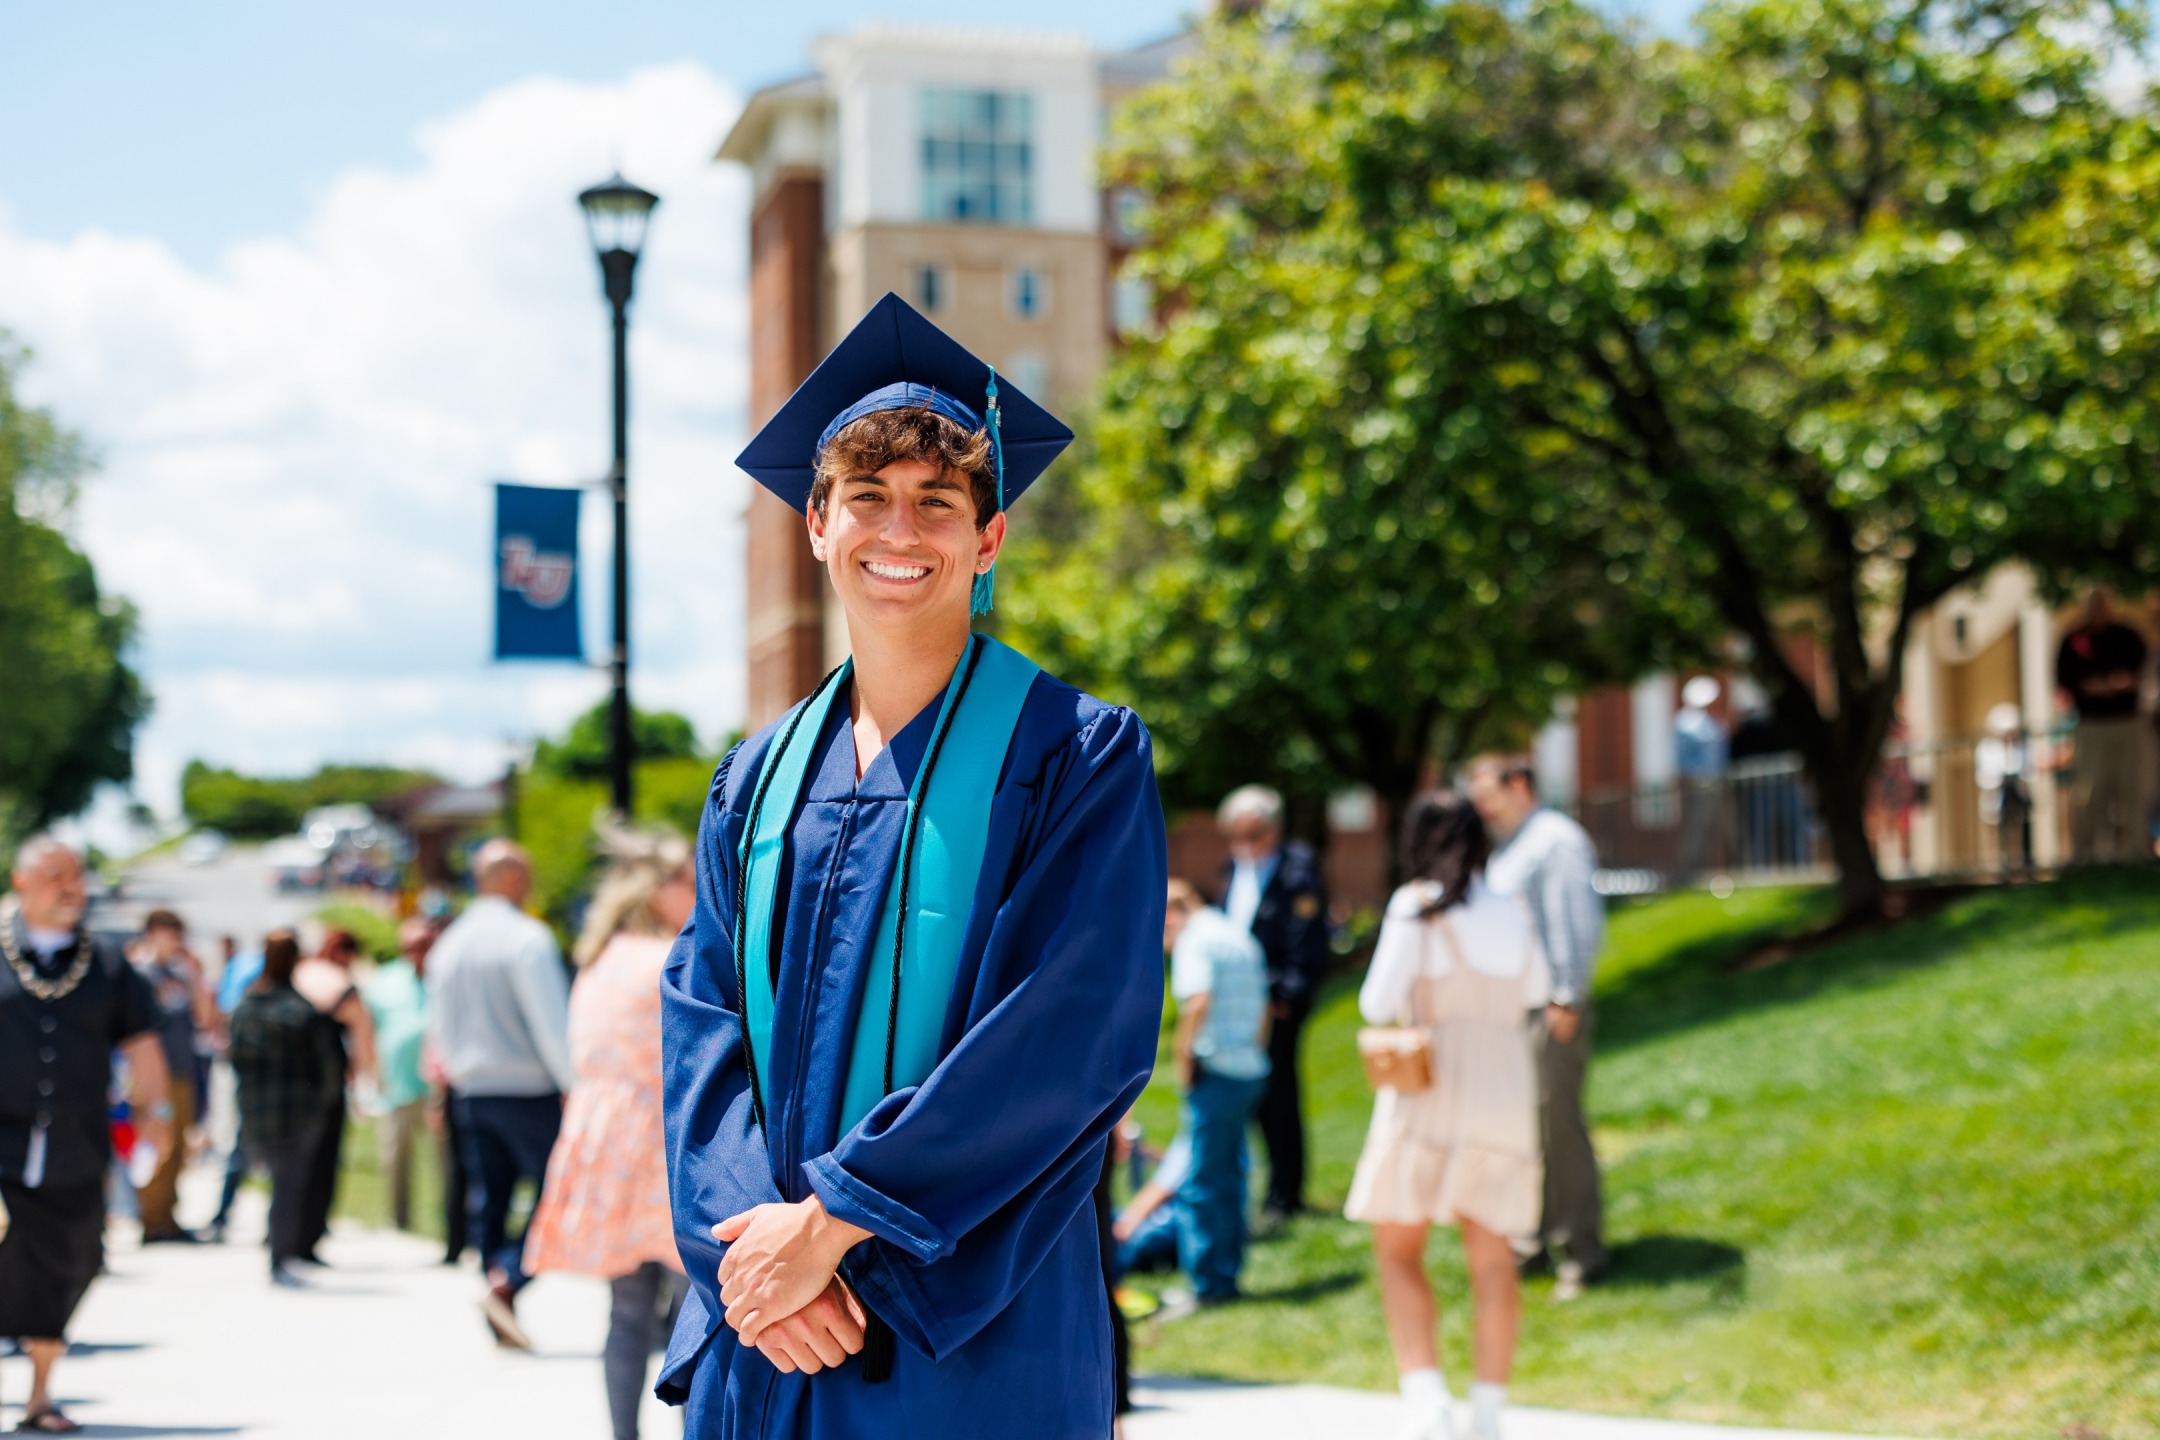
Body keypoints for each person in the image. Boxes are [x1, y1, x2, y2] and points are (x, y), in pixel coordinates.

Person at [658, 293, 1166, 1438]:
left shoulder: (1075, 754)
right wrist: (755, 1250)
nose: (901, 531)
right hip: (772, 1326)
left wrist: (836, 1222)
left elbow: (1075, 1028)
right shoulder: (753, 783)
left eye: (938, 504)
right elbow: (699, 1029)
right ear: (816, 526)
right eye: (868, 500)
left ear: (987, 540)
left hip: (969, 1329)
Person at [1347, 792, 1548, 1440]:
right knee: (1493, 1261)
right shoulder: (1514, 909)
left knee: (1398, 1248)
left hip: (1432, 1088)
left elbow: (1378, 1003)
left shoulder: (1415, 906)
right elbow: (1540, 990)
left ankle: (1427, 1397)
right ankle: (1487, 1415)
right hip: (1506, 1091)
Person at [525, 830, 696, 1440]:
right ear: (656, 891)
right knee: (692, 1312)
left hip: (608, 1142)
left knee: (626, 1312)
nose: (701, 887)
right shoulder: (669, 959)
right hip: (662, 1144)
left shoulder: (599, 956)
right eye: (688, 878)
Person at [0, 835, 173, 1434]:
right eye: (55, 875)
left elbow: (142, 1041)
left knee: (72, 1260)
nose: (70, 887)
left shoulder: (106, 962)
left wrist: (159, 1114)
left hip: (76, 1143)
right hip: (1, 1144)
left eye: (76, 876)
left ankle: (40, 1396)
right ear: (22, 882)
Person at [1465, 754, 1606, 1297]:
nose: (1480, 807)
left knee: (1559, 1128)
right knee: (1524, 1132)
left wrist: (1567, 996)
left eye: (1486, 794)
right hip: (1513, 1012)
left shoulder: (1555, 841)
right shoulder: (1514, 844)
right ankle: (1533, 1242)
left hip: (1550, 1007)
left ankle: (1580, 1251)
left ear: (1518, 785)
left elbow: (1573, 922)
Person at [428, 838, 574, 1349]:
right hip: (528, 1088)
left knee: (488, 1200)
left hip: (471, 1089)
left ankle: (496, 1289)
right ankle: (507, 1281)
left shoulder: (449, 943)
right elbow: (551, 1024)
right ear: (511, 878)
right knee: (560, 1193)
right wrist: (573, 1085)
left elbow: (439, 1025)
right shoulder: (526, 938)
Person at [1149, 879, 1270, 1304]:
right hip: (1249, 1068)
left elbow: (1197, 1002)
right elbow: (1264, 1004)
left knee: (1200, 1181)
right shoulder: (1235, 934)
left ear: (1170, 914)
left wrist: (1184, 1060)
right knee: (1230, 1178)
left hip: (1216, 1069)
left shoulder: (1194, 943)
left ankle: (1207, 1285)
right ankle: (1227, 1273)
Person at [1216, 784, 1331, 1227]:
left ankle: (1287, 1193)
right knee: (1244, 1097)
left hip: (1274, 1005)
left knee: (1280, 1097)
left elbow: (1307, 945)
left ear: (1274, 830)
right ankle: (1250, 1186)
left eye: (1254, 834)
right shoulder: (1233, 869)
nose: (1245, 845)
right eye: (1236, 835)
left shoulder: (1296, 872)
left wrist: (1286, 999)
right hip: (1237, 1003)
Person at [228, 929, 345, 1287]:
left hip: (256, 1111)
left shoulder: (246, 1007)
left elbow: (234, 1060)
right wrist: (320, 1108)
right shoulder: (301, 1010)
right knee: (289, 1187)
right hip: (296, 1114)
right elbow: (328, 1068)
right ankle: (281, 1256)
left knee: (278, 1184)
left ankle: (280, 1252)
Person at [290, 928, 376, 1264]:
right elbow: (363, 1040)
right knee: (323, 1163)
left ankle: (287, 1235)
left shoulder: (299, 975)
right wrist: (367, 1082)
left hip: (293, 1085)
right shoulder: (342, 985)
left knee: (294, 1164)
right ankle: (309, 1239)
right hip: (326, 1087)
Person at [131, 909, 213, 1243]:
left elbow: (206, 1018)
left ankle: (167, 1215)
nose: (175, 941)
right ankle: (151, 1219)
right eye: (169, 933)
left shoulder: (179, 974)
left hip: (184, 1071)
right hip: (153, 1078)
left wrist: (194, 975)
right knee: (155, 1145)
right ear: (152, 933)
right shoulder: (140, 974)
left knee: (179, 1146)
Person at [2055, 590, 2149, 861]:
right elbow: (2067, 683)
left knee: (2132, 789)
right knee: (2089, 792)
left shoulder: (2128, 636)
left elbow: (2143, 674)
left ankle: (2133, 855)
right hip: (2091, 726)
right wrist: (2097, 688)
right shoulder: (2073, 640)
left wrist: (2121, 684)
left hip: (2128, 723)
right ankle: (2085, 857)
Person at [365, 917, 437, 1233]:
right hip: (398, 1084)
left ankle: (451, 1228)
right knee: (394, 1159)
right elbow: (368, 1030)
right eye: (409, 947)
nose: (416, 953)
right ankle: (398, 1223)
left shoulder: (447, 977)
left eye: (423, 946)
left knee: (447, 1163)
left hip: (439, 1088)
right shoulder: (385, 979)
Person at [1672, 677, 1730, 884]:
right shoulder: (1685, 723)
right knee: (1696, 830)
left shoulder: (1712, 722)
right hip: (1698, 786)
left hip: (1717, 783)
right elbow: (1681, 758)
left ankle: (1715, 871)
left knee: (1719, 828)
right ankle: (1691, 874)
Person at [1975, 702, 2033, 872]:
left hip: (2017, 795)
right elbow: (1983, 776)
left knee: (2018, 828)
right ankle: (1997, 867)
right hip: (1998, 796)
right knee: (1996, 834)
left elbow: (2030, 770)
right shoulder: (1987, 748)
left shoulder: (2023, 747)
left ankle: (2020, 866)